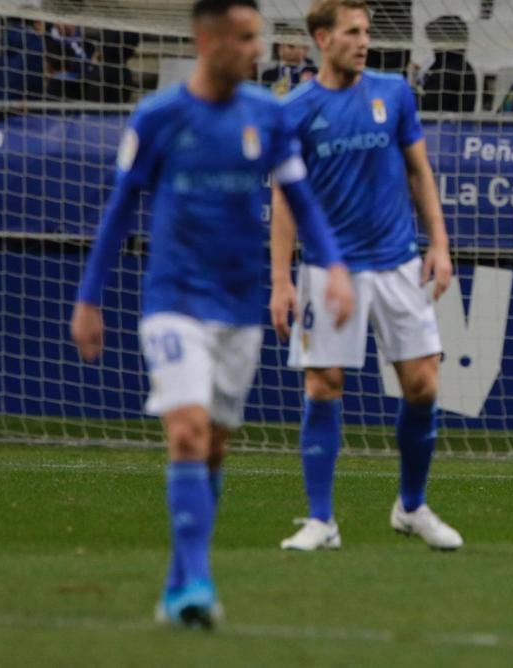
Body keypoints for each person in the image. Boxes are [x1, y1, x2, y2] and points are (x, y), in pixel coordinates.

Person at [70, 0, 353, 629]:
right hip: (173, 304)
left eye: (259, 37)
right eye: (247, 39)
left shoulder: (268, 118)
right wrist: (89, 297)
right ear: (208, 41)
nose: (258, 50)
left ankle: (178, 583)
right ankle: (199, 584)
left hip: (238, 308)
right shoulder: (159, 116)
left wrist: (331, 265)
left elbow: (301, 200)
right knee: (188, 433)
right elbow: (119, 212)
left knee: (216, 446)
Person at [270, 0, 463, 551]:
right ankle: (321, 521)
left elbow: (419, 171)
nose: (364, 41)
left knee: (424, 384)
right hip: (329, 272)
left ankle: (411, 506)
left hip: (399, 262)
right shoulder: (295, 110)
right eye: (353, 32)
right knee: (323, 384)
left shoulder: (393, 93)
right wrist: (281, 280)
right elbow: (284, 198)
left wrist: (441, 246)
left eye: (367, 32)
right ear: (321, 39)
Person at [416, 14, 477, 113]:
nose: (432, 46)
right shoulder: (459, 66)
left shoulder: (450, 70)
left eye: (434, 40)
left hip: (444, 127)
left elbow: (428, 107)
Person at [0, 16, 48, 104]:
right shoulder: (36, 44)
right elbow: (35, 78)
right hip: (20, 103)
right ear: (37, 22)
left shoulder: (7, 37)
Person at [260, 30, 317, 96]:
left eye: (301, 46)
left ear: (306, 49)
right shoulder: (268, 75)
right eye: (291, 46)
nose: (296, 50)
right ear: (279, 48)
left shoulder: (315, 73)